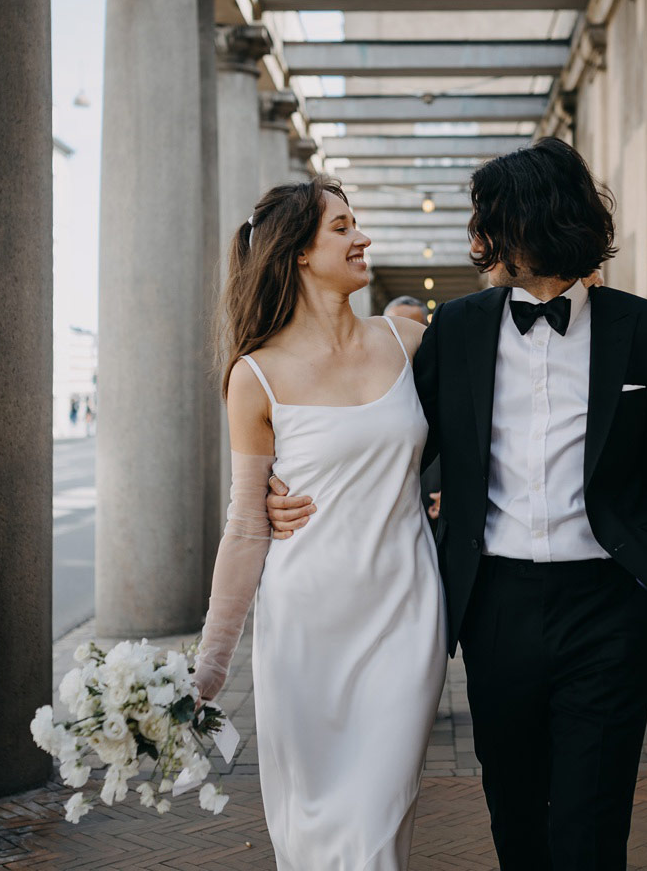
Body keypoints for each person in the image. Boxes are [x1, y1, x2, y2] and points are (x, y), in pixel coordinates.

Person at [268, 137, 647, 871]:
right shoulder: (460, 329)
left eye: (491, 220)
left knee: (591, 822)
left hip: (610, 606)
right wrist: (272, 482)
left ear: (536, 220)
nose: (478, 238)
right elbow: (386, 439)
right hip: (496, 605)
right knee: (514, 809)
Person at [192, 178, 446, 871]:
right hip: (304, 629)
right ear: (299, 252)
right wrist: (209, 668)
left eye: (356, 224)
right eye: (342, 227)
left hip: (404, 613)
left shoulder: (409, 338)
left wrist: (449, 491)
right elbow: (246, 525)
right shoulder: (256, 376)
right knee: (314, 833)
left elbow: (485, 432)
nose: (360, 237)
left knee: (376, 816)